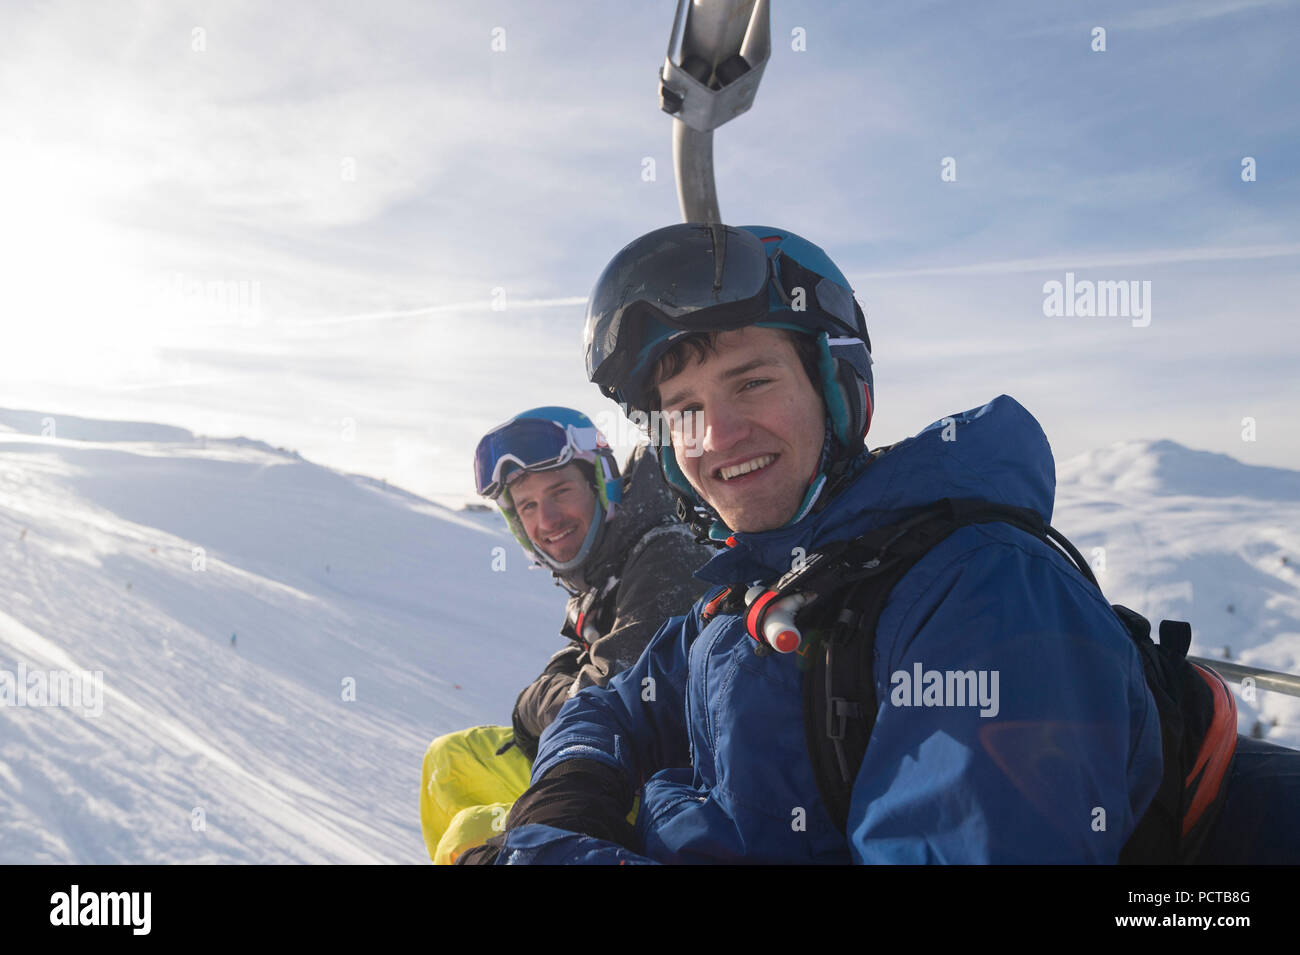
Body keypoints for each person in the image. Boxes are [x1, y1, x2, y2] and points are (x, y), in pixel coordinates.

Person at [458, 222, 1200, 865]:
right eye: (684, 410)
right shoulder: (752, 585)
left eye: (751, 383)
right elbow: (618, 705)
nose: (716, 436)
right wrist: (568, 793)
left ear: (836, 389)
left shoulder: (980, 592)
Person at [419, 405, 713, 863]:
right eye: (528, 506)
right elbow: (584, 660)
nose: (548, 520)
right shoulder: (604, 564)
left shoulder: (664, 552)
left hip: (663, 777)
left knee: (471, 830)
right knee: (451, 758)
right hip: (619, 759)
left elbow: (610, 701)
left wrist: (533, 700)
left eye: (561, 491)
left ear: (602, 484)